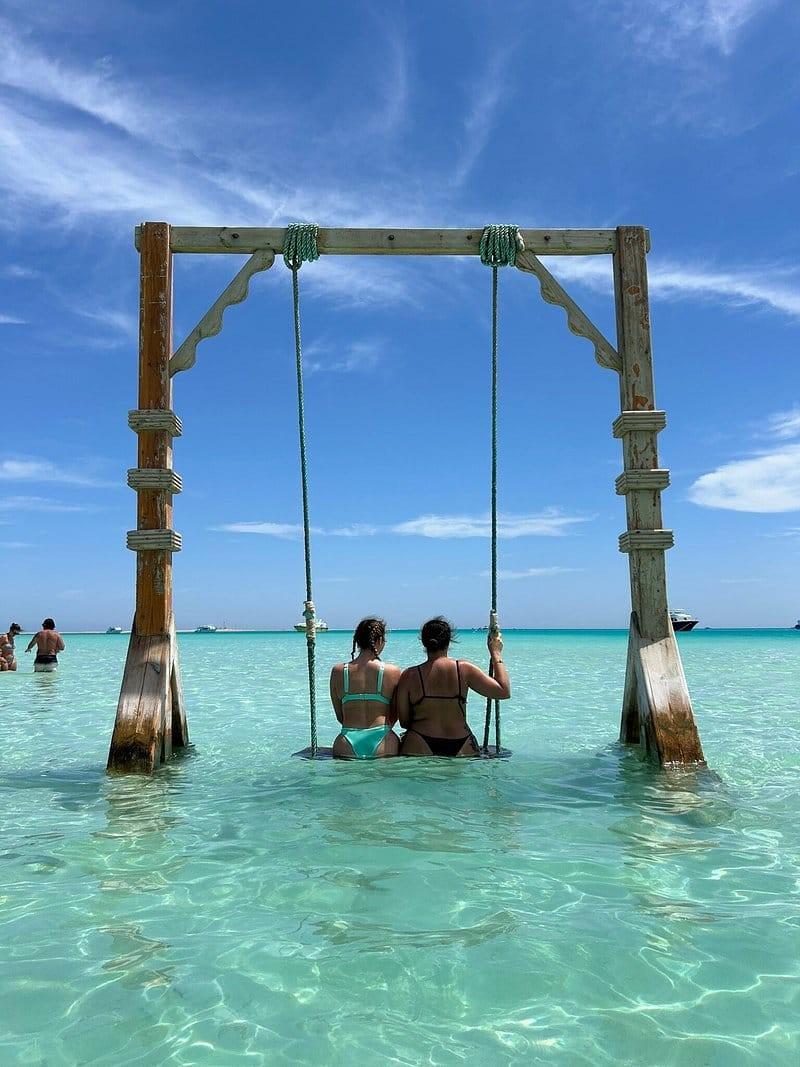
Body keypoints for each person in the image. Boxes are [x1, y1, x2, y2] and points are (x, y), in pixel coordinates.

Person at [396, 616, 511, 757]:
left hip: (419, 741)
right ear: (449, 641)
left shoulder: (409, 675)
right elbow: (503, 691)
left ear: (424, 642)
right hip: (461, 742)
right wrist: (496, 653)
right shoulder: (464, 669)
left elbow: (404, 722)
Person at [330, 617, 402, 759]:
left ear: (357, 641)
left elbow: (340, 716)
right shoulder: (392, 671)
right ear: (380, 640)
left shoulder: (338, 671)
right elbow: (395, 714)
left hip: (346, 742)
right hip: (383, 740)